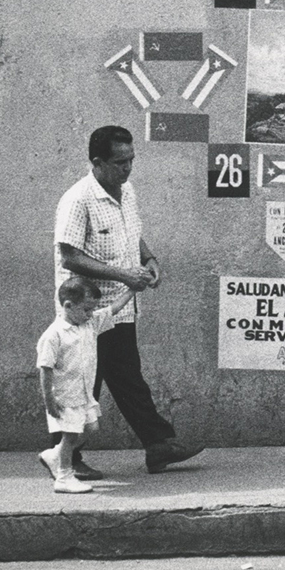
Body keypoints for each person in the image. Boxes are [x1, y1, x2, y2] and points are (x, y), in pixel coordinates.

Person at [54, 126, 202, 477]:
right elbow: (69, 256)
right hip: (85, 313)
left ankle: (158, 445)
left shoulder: (127, 191)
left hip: (119, 310)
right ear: (97, 162)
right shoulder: (77, 199)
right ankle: (65, 460)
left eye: (132, 160)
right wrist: (124, 276)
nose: (128, 168)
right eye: (120, 162)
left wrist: (150, 259)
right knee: (81, 383)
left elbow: (132, 232)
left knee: (128, 378)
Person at [37, 277, 139, 493]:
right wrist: (49, 400)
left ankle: (55, 454)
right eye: (86, 309)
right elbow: (45, 369)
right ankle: (64, 476)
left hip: (85, 394)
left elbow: (113, 309)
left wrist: (132, 290)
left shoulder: (89, 324)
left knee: (90, 427)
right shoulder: (53, 334)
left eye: (92, 309)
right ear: (68, 306)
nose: (90, 314)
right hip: (65, 396)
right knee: (71, 434)